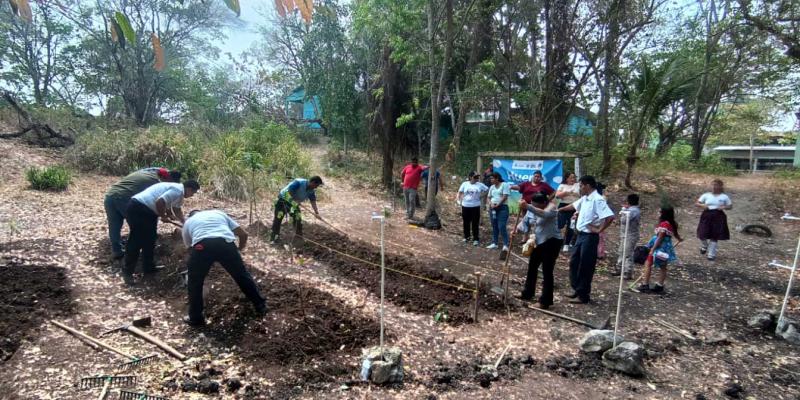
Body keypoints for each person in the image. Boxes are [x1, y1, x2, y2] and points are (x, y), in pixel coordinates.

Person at [182, 210, 267, 326]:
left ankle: (196, 318)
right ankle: (260, 305)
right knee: (241, 275)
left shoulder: (188, 223)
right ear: (202, 212)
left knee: (195, 282)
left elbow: (190, 249)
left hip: (202, 246)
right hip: (226, 243)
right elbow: (243, 234)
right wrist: (238, 250)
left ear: (191, 215)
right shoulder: (218, 214)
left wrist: (200, 264)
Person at [122, 180, 200, 285]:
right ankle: (127, 273)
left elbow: (176, 209)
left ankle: (149, 268)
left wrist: (185, 223)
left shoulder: (179, 195)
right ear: (189, 189)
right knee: (136, 241)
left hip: (148, 212)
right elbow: (160, 202)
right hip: (139, 209)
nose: (192, 195)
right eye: (193, 193)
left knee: (150, 239)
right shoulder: (177, 190)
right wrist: (163, 216)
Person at [558, 176, 614, 304]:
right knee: (574, 262)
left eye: (581, 186)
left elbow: (610, 217)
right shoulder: (585, 199)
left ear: (588, 185)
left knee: (585, 265)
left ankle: (583, 295)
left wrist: (599, 229)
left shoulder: (597, 200)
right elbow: (573, 205)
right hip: (580, 235)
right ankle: (576, 288)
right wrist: (560, 209)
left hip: (590, 237)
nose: (580, 188)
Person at [104, 168, 181, 259]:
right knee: (141, 225)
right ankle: (140, 252)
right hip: (124, 198)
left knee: (114, 225)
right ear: (168, 179)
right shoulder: (157, 182)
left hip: (110, 196)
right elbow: (158, 202)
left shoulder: (152, 170)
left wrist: (168, 213)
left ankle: (117, 250)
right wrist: (164, 216)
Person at [516, 193, 563, 309]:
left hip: (552, 242)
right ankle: (528, 293)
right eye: (532, 204)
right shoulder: (531, 208)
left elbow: (543, 214)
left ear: (543, 203)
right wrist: (517, 229)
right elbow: (526, 221)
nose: (534, 207)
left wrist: (528, 206)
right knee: (532, 267)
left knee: (547, 271)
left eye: (536, 205)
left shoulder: (551, 208)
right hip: (537, 241)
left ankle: (545, 301)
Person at [637, 206, 683, 293]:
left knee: (648, 263)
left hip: (659, 248)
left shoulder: (664, 224)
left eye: (660, 212)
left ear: (663, 213)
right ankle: (659, 286)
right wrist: (679, 239)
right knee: (663, 266)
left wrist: (653, 249)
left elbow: (660, 237)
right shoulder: (672, 223)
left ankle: (645, 285)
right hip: (666, 249)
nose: (659, 213)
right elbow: (676, 234)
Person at [270, 176, 323, 243]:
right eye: (316, 185)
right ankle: (274, 238)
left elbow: (313, 201)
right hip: (282, 200)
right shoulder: (298, 182)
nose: (316, 187)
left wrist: (316, 213)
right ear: (312, 182)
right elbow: (287, 194)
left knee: (298, 218)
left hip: (294, 203)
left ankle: (298, 238)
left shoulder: (311, 191)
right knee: (278, 219)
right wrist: (294, 202)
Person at [696, 179, 732, 261]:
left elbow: (730, 206)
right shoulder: (706, 195)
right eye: (713, 185)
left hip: (718, 216)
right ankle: (704, 245)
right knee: (702, 233)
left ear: (720, 186)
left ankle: (711, 254)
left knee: (714, 235)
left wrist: (724, 207)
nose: (714, 187)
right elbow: (697, 203)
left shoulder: (724, 196)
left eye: (716, 185)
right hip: (706, 215)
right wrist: (702, 205)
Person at [612, 194, 641, 279]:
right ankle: (619, 269)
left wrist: (624, 210)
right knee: (621, 251)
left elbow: (624, 220)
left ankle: (627, 272)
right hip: (625, 234)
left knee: (628, 254)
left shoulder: (633, 211)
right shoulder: (630, 210)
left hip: (630, 235)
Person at [457, 172, 488, 246]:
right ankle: (467, 237)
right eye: (475, 177)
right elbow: (460, 192)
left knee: (475, 223)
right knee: (466, 222)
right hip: (465, 205)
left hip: (475, 206)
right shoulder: (465, 184)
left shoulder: (480, 185)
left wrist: (481, 195)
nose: (477, 178)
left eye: (478, 177)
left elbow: (487, 189)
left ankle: (476, 239)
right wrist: (459, 200)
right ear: (470, 177)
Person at [555, 172, 580, 252]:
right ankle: (557, 240)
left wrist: (574, 194)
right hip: (563, 206)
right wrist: (567, 192)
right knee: (560, 224)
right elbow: (557, 196)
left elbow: (581, 195)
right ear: (566, 178)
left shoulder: (578, 185)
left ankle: (566, 244)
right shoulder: (562, 185)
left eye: (574, 177)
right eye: (571, 177)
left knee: (571, 226)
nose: (573, 179)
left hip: (574, 207)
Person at [486, 172, 511, 252]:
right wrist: (490, 204)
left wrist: (498, 204)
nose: (491, 180)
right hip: (492, 208)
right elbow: (488, 197)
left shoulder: (504, 185)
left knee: (501, 226)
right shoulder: (492, 187)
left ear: (497, 178)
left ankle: (506, 244)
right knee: (494, 225)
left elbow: (505, 196)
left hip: (502, 208)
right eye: (490, 179)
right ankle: (494, 243)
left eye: (492, 178)